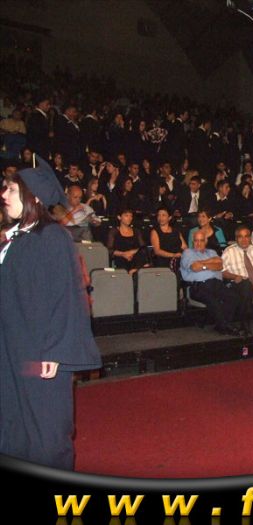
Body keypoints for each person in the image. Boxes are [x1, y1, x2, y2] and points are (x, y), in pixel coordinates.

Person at [0, 155, 102, 469]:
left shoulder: (53, 238)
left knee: (44, 432)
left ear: (33, 197)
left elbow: (67, 298)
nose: (3, 195)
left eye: (11, 190)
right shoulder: (15, 238)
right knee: (13, 423)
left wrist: (55, 352)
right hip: (12, 348)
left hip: (39, 355)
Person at [181, 230, 242, 336]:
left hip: (216, 284)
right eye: (196, 241)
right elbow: (195, 267)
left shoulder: (212, 252)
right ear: (193, 241)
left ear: (206, 241)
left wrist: (202, 264)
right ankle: (225, 326)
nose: (198, 243)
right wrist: (210, 262)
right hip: (199, 286)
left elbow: (220, 265)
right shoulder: (188, 253)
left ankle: (222, 324)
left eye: (201, 240)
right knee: (214, 300)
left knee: (233, 297)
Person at [106, 208, 150, 275]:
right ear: (119, 217)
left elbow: (143, 247)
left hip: (135, 258)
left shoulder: (136, 231)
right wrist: (123, 254)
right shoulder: (114, 231)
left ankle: (136, 270)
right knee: (121, 260)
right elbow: (109, 250)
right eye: (126, 215)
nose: (129, 218)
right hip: (120, 258)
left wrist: (130, 252)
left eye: (131, 216)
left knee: (143, 255)